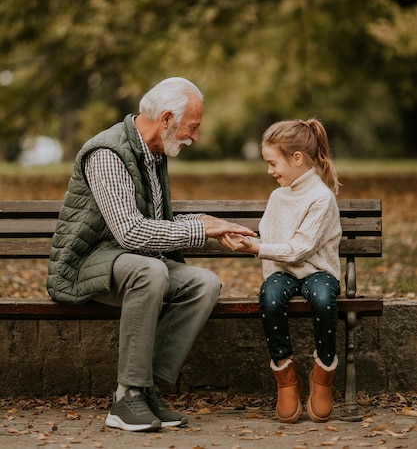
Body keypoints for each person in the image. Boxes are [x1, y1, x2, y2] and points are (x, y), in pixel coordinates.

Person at [47, 77, 255, 433]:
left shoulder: (153, 153)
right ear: (167, 119)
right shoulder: (108, 153)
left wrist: (211, 225)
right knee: (151, 272)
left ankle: (147, 389)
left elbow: (156, 223)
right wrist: (202, 228)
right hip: (86, 264)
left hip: (131, 262)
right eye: (193, 127)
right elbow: (130, 231)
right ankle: (126, 397)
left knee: (205, 283)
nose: (195, 137)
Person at [220, 118, 342, 424]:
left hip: (318, 270)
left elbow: (301, 248)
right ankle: (285, 377)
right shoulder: (278, 197)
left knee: (325, 299)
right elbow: (271, 241)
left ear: (297, 158)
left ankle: (323, 374)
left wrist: (257, 248)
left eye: (273, 163)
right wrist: (247, 241)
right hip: (282, 271)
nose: (270, 171)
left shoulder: (321, 198)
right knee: (271, 296)